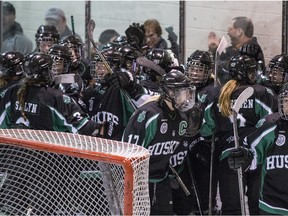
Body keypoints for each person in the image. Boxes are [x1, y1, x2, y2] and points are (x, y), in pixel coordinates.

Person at [199, 54, 278, 215]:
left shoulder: (217, 94)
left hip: (228, 156)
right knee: (257, 206)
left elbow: (206, 129)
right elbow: (271, 121)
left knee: (232, 209)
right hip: (255, 155)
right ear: (247, 73)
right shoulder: (261, 92)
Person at [122, 69, 196, 215]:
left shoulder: (182, 119)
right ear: (170, 93)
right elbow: (128, 152)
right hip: (139, 184)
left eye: (188, 92)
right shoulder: (149, 115)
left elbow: (172, 153)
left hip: (161, 181)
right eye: (183, 92)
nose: (187, 97)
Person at [0, 52, 101, 136]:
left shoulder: (11, 92)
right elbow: (85, 129)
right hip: (46, 157)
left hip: (14, 156)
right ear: (46, 72)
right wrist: (101, 128)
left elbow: (2, 126)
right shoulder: (55, 98)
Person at [227, 82, 288, 215]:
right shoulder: (272, 127)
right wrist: (244, 157)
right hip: (272, 205)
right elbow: (253, 154)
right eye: (287, 101)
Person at [208, 16, 265, 85]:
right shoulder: (232, 49)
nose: (228, 32)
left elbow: (228, 74)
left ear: (239, 31)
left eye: (230, 29)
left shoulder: (251, 51)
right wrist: (215, 50)